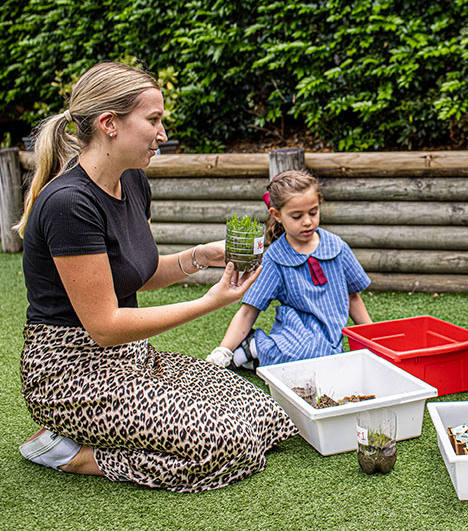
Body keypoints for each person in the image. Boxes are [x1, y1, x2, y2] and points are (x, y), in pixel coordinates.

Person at [15, 62, 293, 492]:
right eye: (154, 120)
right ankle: (68, 451)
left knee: (266, 413)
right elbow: (105, 327)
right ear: (110, 124)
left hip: (132, 359)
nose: (162, 134)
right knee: (227, 441)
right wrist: (211, 302)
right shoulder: (70, 204)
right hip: (71, 373)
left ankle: (102, 437)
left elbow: (138, 274)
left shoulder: (134, 182)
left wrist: (201, 256)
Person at [206, 170, 373, 369]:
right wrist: (223, 351)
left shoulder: (337, 247)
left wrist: (373, 339)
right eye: (297, 216)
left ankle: (254, 353)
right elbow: (248, 311)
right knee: (307, 355)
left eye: (313, 212)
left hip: (330, 335)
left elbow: (353, 297)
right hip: (295, 333)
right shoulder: (275, 259)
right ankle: (253, 346)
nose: (308, 221)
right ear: (277, 215)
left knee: (326, 360)